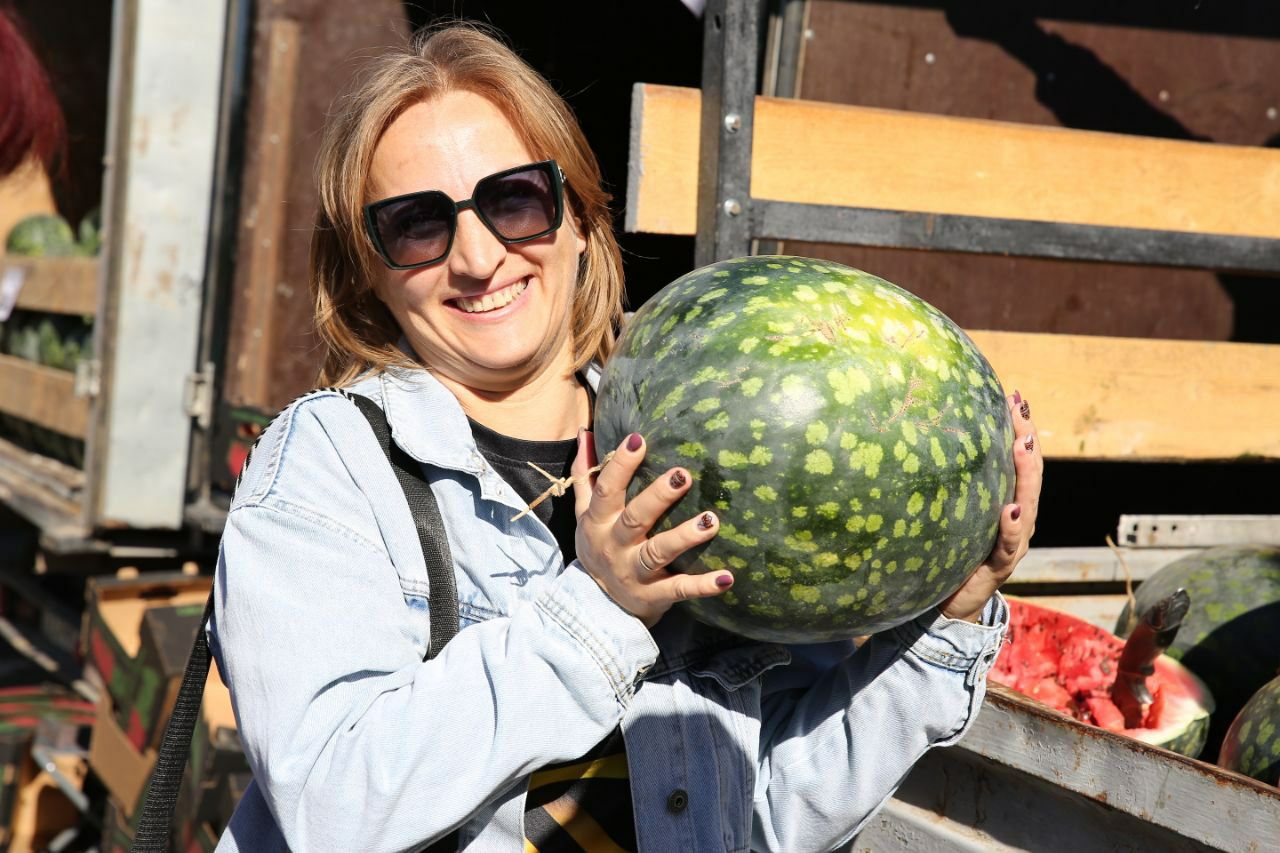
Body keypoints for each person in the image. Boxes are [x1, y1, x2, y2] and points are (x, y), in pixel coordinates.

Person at [210, 22, 1042, 852]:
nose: (477, 256)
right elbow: (330, 808)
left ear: (575, 214)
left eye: (513, 200)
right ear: (368, 268)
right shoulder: (331, 461)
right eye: (417, 225)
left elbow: (763, 817)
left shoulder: (699, 453)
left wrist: (946, 624)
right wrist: (600, 611)